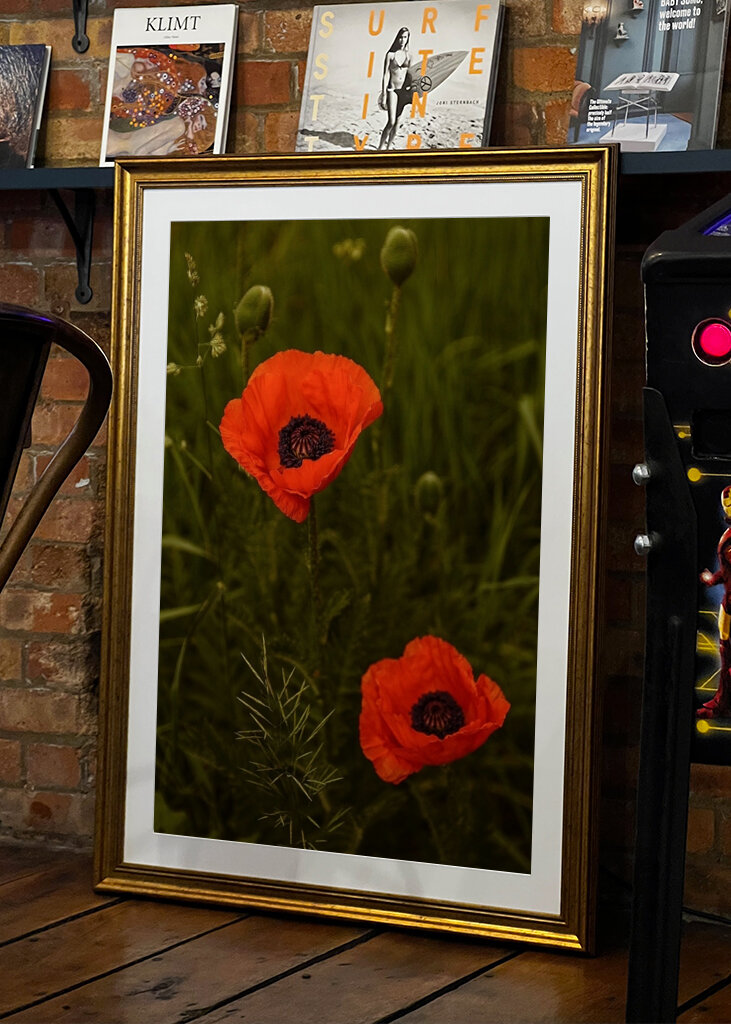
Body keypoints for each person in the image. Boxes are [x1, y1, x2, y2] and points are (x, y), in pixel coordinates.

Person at [378, 27, 411, 151]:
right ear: (397, 38)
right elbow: (385, 75)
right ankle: (380, 148)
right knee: (391, 122)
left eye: (405, 37)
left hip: (403, 92)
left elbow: (410, 76)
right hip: (392, 91)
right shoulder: (390, 55)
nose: (402, 40)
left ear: (408, 39)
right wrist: (384, 94)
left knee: (397, 123)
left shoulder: (409, 56)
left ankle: (389, 147)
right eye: (401, 37)